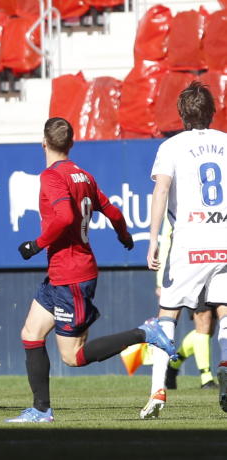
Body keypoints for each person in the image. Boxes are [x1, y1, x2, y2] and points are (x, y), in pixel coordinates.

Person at [5, 117, 177, 423]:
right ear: (71, 144)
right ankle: (41, 410)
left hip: (72, 276)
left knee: (73, 357)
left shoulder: (51, 177)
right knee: (31, 333)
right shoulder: (83, 176)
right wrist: (123, 236)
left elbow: (64, 216)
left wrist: (36, 244)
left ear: (43, 143)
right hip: (61, 274)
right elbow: (113, 212)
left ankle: (145, 332)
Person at [143, 81, 227, 418]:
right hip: (223, 236)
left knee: (168, 314)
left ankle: (158, 392)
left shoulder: (171, 147)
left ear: (181, 115)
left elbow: (161, 191)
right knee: (224, 310)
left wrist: (152, 240)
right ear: (212, 111)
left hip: (189, 241)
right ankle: (224, 365)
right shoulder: (225, 142)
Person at [156, 217, 217, 390]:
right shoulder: (179, 202)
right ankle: (206, 378)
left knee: (208, 329)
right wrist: (161, 280)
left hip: (218, 264)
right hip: (192, 267)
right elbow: (166, 241)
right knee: (203, 320)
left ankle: (174, 364)